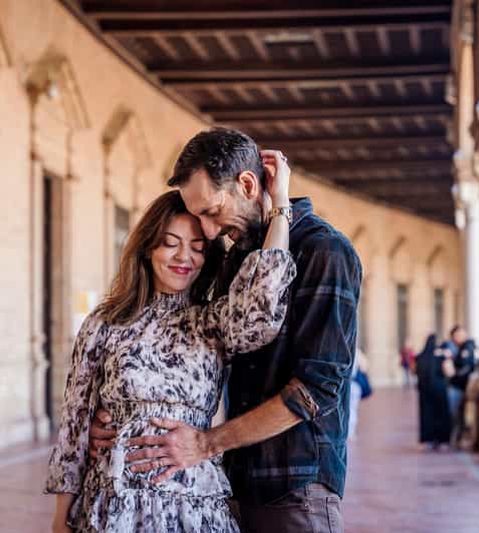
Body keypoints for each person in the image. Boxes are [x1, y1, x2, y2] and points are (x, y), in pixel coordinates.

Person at [89, 128, 362, 533]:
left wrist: (205, 443)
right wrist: (119, 420)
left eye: (213, 212)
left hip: (294, 486)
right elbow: (196, 347)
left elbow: (315, 390)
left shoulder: (325, 250)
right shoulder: (239, 258)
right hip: (231, 484)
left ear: (248, 184)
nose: (210, 232)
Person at [45, 150, 296, 533]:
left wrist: (280, 206)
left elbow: (261, 311)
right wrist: (61, 520)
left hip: (193, 509)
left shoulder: (211, 322)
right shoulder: (105, 322)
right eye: (171, 243)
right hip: (116, 506)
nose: (185, 258)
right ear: (148, 247)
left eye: (197, 247)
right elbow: (76, 425)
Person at [415, 334, 451, 450]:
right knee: (441, 414)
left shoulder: (420, 357)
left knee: (426, 414)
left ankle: (427, 440)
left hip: (424, 390)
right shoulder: (441, 357)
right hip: (439, 389)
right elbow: (450, 372)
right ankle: (442, 440)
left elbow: (414, 370)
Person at [449, 338, 477, 446]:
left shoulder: (466, 355)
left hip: (459, 387)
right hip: (460, 387)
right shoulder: (461, 354)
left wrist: (455, 374)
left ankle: (457, 437)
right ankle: (457, 437)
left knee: (456, 414)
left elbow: (463, 370)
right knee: (458, 414)